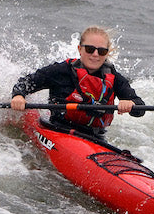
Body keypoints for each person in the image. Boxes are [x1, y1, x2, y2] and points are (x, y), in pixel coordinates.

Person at [10, 25, 144, 139]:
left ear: (106, 54)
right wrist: (18, 96)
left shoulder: (114, 78)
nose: (95, 54)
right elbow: (26, 83)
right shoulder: (61, 70)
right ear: (80, 49)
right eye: (90, 49)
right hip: (58, 131)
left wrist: (130, 103)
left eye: (102, 51)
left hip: (94, 138)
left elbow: (140, 108)